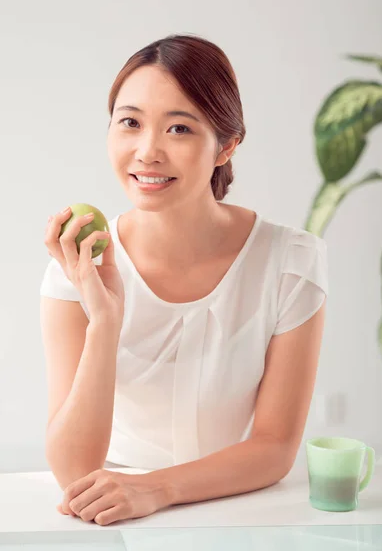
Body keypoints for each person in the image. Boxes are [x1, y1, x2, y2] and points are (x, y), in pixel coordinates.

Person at [40, 33, 328, 526]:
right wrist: (105, 320)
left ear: (226, 145)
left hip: (237, 506)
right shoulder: (79, 263)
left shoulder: (290, 261)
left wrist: (157, 489)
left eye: (178, 129)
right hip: (112, 512)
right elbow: (74, 470)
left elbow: (275, 447)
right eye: (130, 122)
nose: (147, 151)